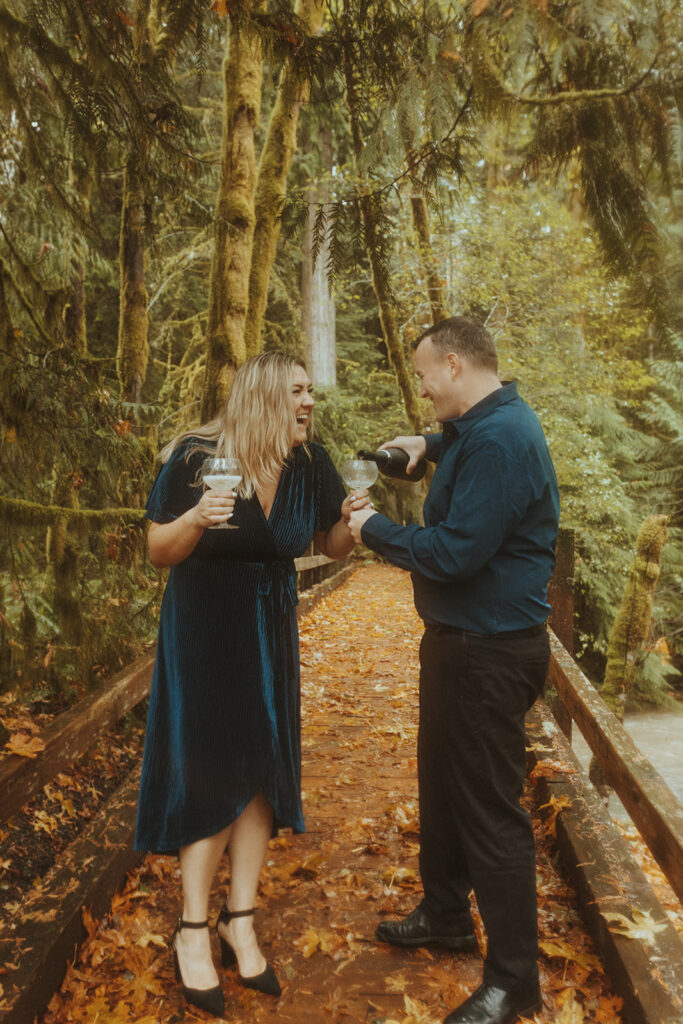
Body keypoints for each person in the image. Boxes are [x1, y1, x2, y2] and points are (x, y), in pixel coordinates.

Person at [135, 351, 369, 1016]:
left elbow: (326, 545)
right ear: (266, 394)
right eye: (298, 391)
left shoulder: (310, 465)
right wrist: (194, 520)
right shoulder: (193, 456)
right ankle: (190, 928)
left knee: (264, 768)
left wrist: (352, 525)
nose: (309, 402)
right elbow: (158, 549)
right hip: (204, 630)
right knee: (210, 767)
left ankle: (239, 919)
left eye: (311, 392)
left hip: (271, 628)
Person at [348, 317, 560, 1024]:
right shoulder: (483, 427)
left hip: (489, 649)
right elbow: (461, 446)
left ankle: (513, 980)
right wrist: (426, 446)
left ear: (454, 365)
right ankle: (443, 915)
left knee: (489, 811)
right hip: (460, 643)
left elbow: (452, 553)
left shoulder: (501, 439)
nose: (423, 389)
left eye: (425, 377)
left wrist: (370, 529)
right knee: (440, 785)